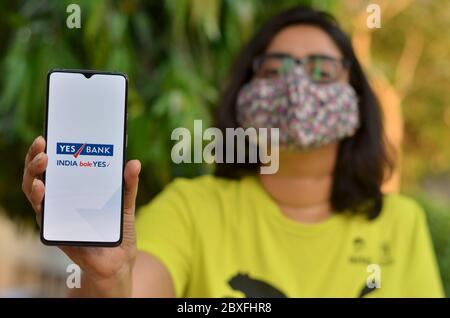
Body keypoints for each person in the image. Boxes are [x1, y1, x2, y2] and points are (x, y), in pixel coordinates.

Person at [22, 6, 443, 297]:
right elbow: (133, 288)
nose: (296, 88)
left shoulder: (402, 225)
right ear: (245, 94)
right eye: (275, 70)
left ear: (356, 97)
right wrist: (107, 278)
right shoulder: (190, 210)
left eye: (321, 70)